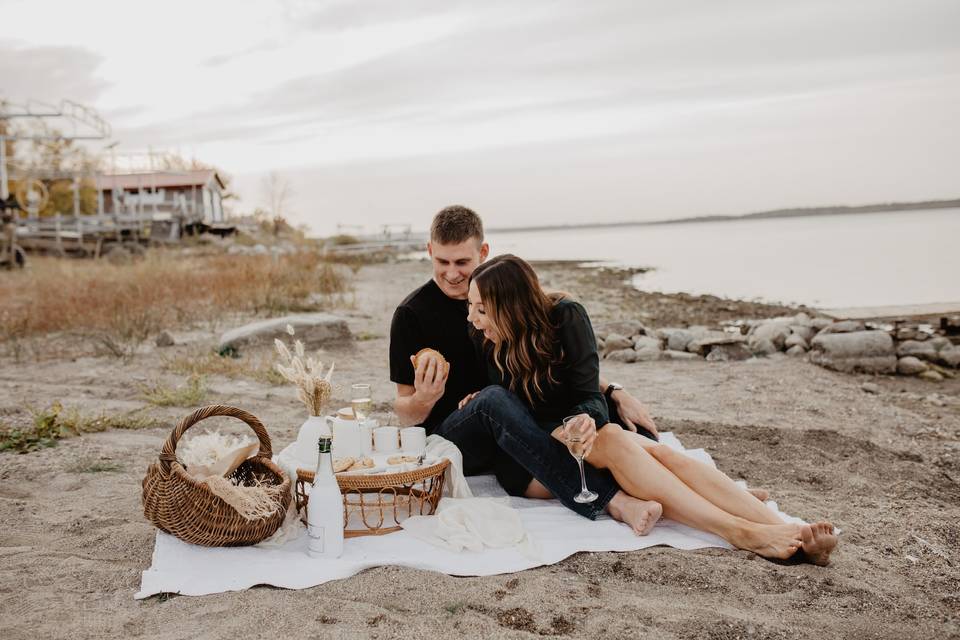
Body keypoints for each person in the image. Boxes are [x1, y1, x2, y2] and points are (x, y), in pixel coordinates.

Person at [464, 254, 838, 565]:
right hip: (535, 458)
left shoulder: (565, 315)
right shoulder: (486, 339)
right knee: (637, 449)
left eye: (481, 309)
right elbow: (507, 413)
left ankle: (785, 528)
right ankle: (739, 529)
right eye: (471, 307)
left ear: (510, 306)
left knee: (653, 452)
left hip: (585, 436)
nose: (472, 318)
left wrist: (586, 419)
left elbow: (588, 392)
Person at [389, 205, 662, 533]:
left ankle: (670, 489)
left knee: (629, 430)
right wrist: (424, 398)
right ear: (429, 251)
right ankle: (612, 500)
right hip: (459, 435)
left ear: (484, 252)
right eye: (441, 261)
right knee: (494, 402)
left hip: (518, 416)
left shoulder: (498, 296)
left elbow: (536, 358)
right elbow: (405, 413)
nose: (451, 273)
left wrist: (613, 390)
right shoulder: (411, 315)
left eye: (462, 262)